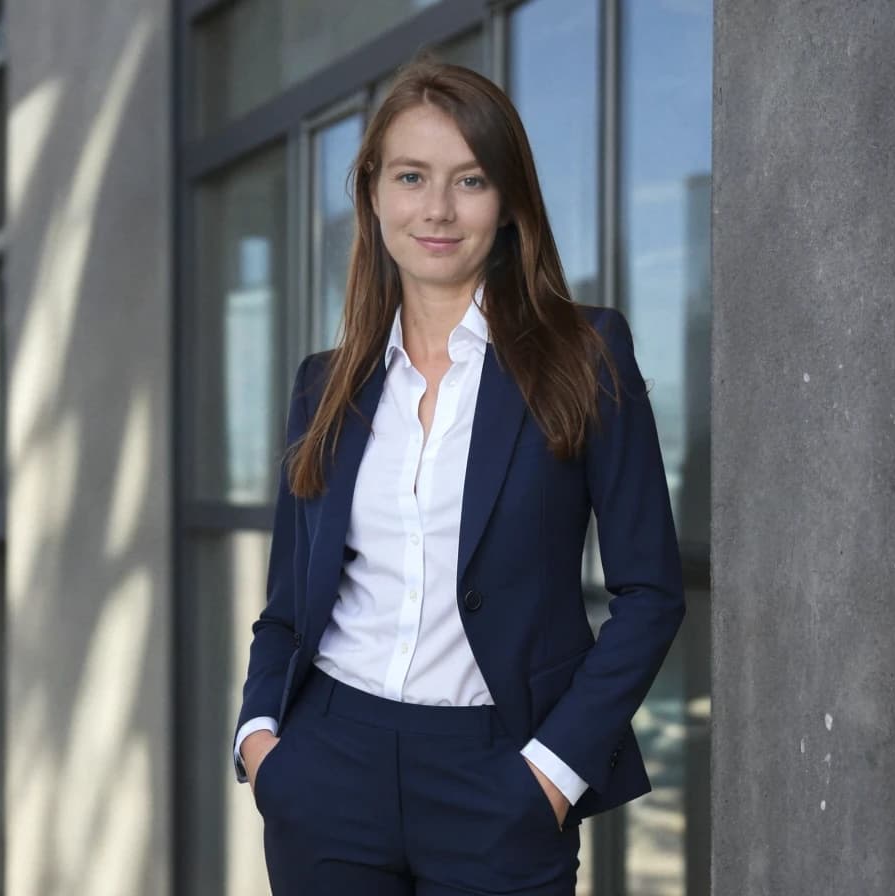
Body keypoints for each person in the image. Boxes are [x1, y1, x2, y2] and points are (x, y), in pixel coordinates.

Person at [232, 58, 685, 896]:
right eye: (411, 177)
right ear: (372, 193)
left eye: (470, 180)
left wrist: (551, 773)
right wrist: (263, 741)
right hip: (328, 767)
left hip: (501, 775)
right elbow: (290, 607)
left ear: (508, 201)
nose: (437, 209)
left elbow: (652, 593)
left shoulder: (585, 356)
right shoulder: (322, 384)